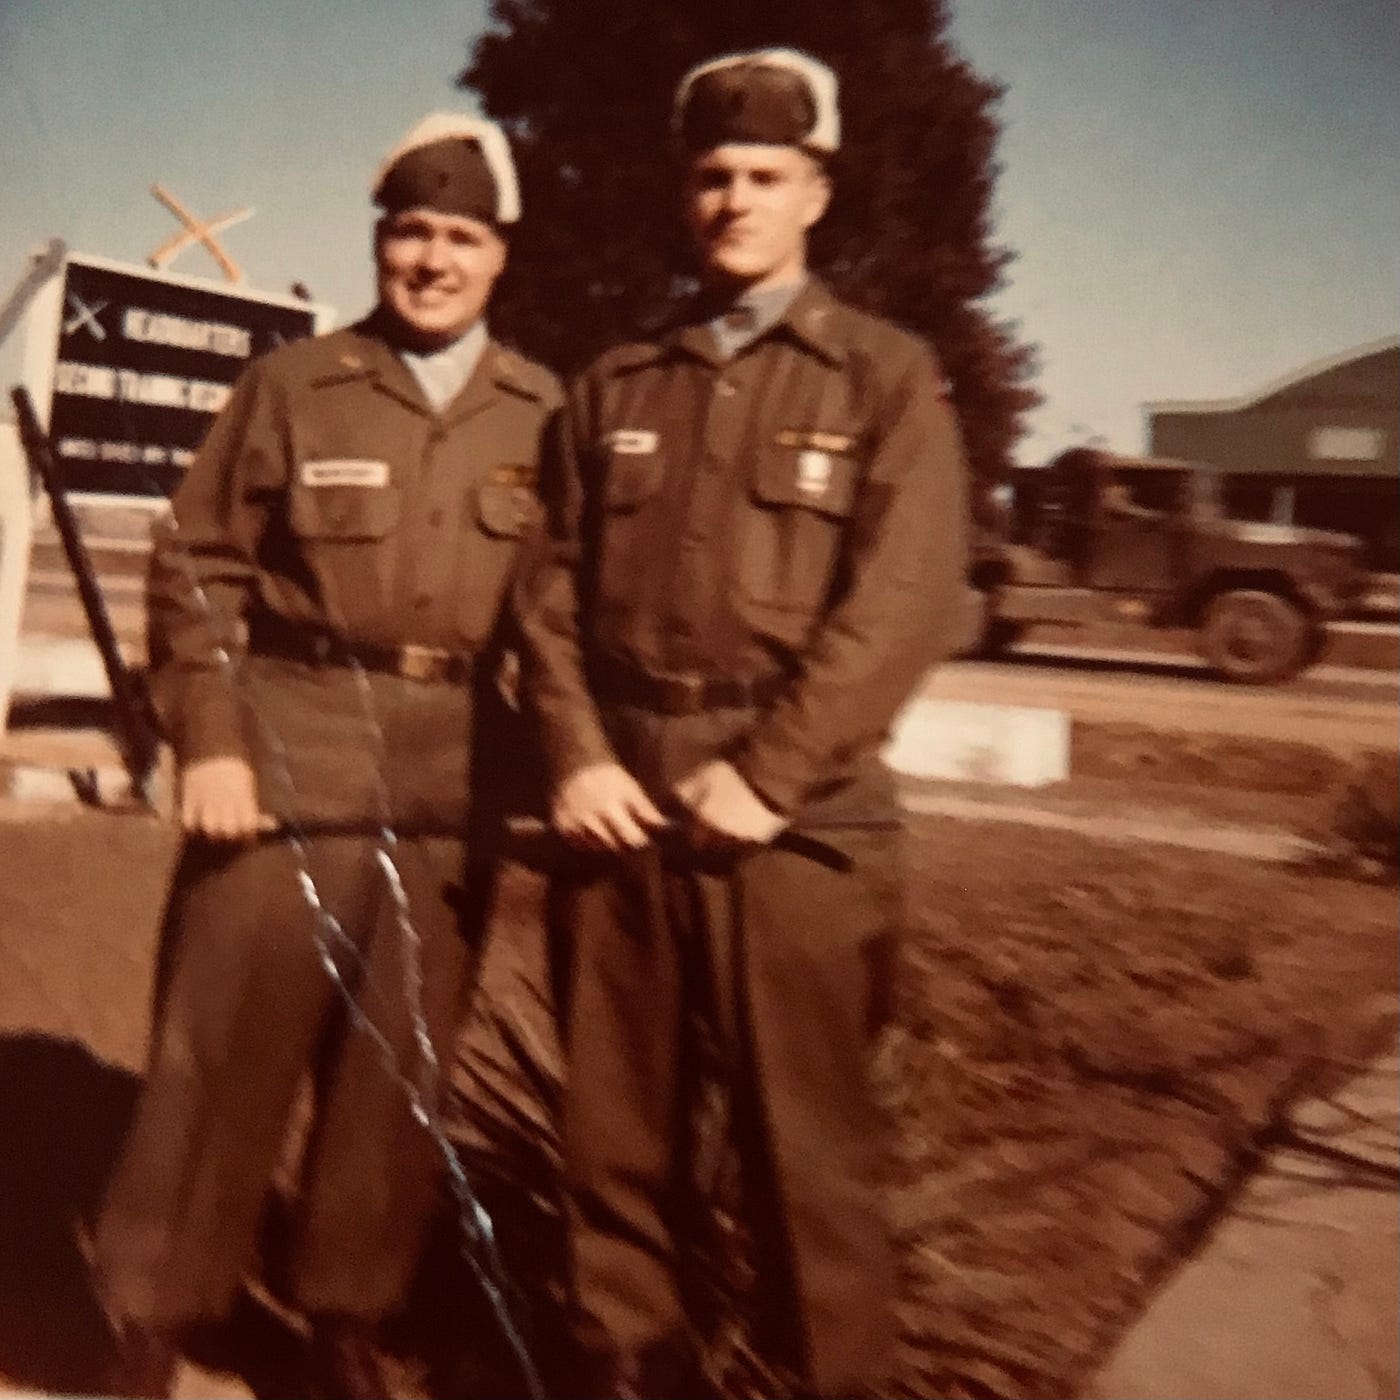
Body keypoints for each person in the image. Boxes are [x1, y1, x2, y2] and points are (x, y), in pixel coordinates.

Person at [516, 48, 970, 1400]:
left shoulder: (883, 378)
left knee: (806, 1161)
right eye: (712, 176)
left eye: (764, 176)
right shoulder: (616, 385)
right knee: (612, 1149)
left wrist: (766, 776)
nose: (733, 200)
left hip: (796, 821)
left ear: (815, 193)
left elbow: (904, 603)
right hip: (621, 808)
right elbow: (545, 596)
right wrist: (579, 754)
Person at [89, 113, 560, 1400]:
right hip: (289, 757)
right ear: (380, 241)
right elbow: (195, 567)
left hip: (452, 783)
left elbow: (561, 616)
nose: (432, 258)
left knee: (393, 1079)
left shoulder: (541, 410)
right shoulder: (296, 385)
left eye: (460, 236)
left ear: (499, 255)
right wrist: (212, 741)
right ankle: (153, 1312)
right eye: (411, 232)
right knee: (218, 1050)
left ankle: (344, 1316)